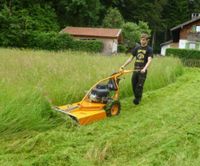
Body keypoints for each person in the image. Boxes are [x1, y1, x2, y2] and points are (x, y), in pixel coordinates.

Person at [120, 33, 153, 105]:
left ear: (147, 40)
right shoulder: (137, 48)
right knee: (134, 85)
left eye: (143, 40)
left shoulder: (149, 49)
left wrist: (144, 69)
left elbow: (149, 60)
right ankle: (137, 97)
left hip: (142, 71)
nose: (142, 41)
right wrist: (123, 66)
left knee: (139, 86)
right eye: (141, 39)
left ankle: (137, 99)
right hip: (135, 70)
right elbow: (130, 58)